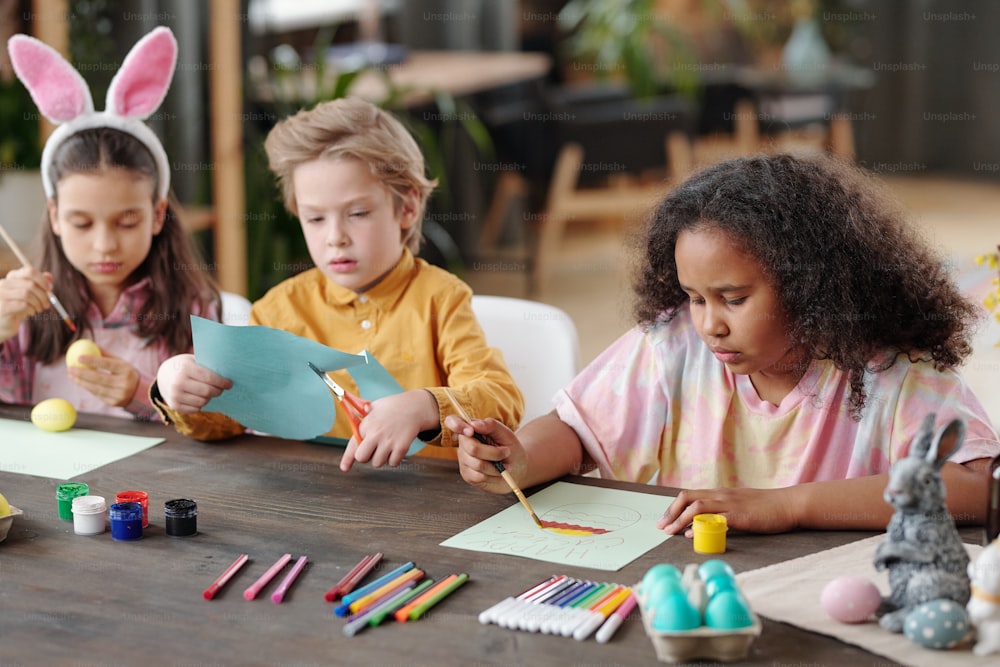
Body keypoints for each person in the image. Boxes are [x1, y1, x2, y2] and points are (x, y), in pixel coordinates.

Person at [449, 153, 1000, 535]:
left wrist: (787, 506)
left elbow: (975, 486)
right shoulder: (674, 346)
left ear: (811, 286)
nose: (709, 323)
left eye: (733, 298)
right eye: (694, 296)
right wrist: (518, 457)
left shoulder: (890, 371)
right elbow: (575, 431)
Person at [152, 97, 523, 470]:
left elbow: (500, 399)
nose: (335, 237)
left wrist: (425, 405)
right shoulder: (280, 309)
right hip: (312, 502)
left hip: (425, 508)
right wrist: (174, 386)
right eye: (315, 219)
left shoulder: (441, 298)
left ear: (407, 208)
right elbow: (229, 419)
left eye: (358, 214)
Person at [0, 28, 218, 421]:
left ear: (157, 215)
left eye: (127, 221)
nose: (105, 245)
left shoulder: (197, 313)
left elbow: (225, 426)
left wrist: (143, 393)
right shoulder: (26, 316)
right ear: (54, 217)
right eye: (81, 223)